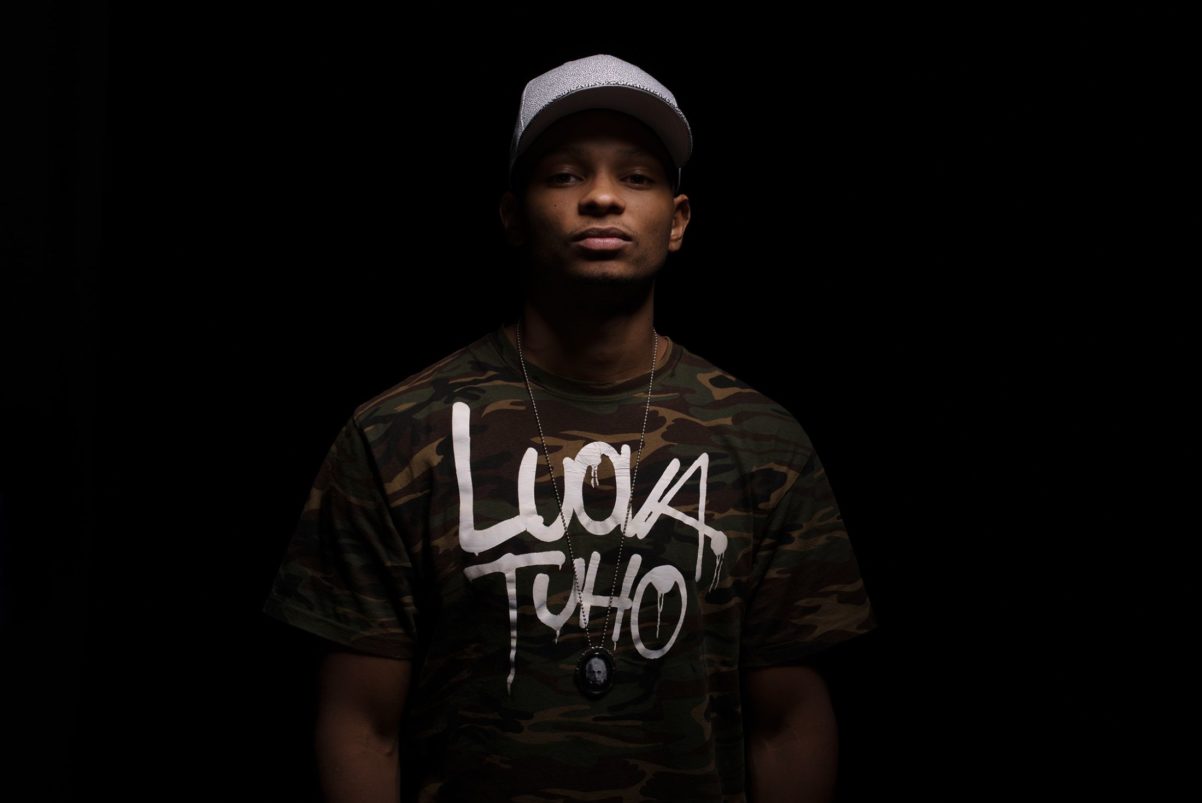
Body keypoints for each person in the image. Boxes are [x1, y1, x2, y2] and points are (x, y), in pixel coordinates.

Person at [261, 53, 877, 803]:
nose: (602, 198)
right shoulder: (396, 434)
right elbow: (362, 726)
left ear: (677, 221)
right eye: (564, 175)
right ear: (513, 216)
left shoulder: (763, 441)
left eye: (637, 177)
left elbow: (788, 724)